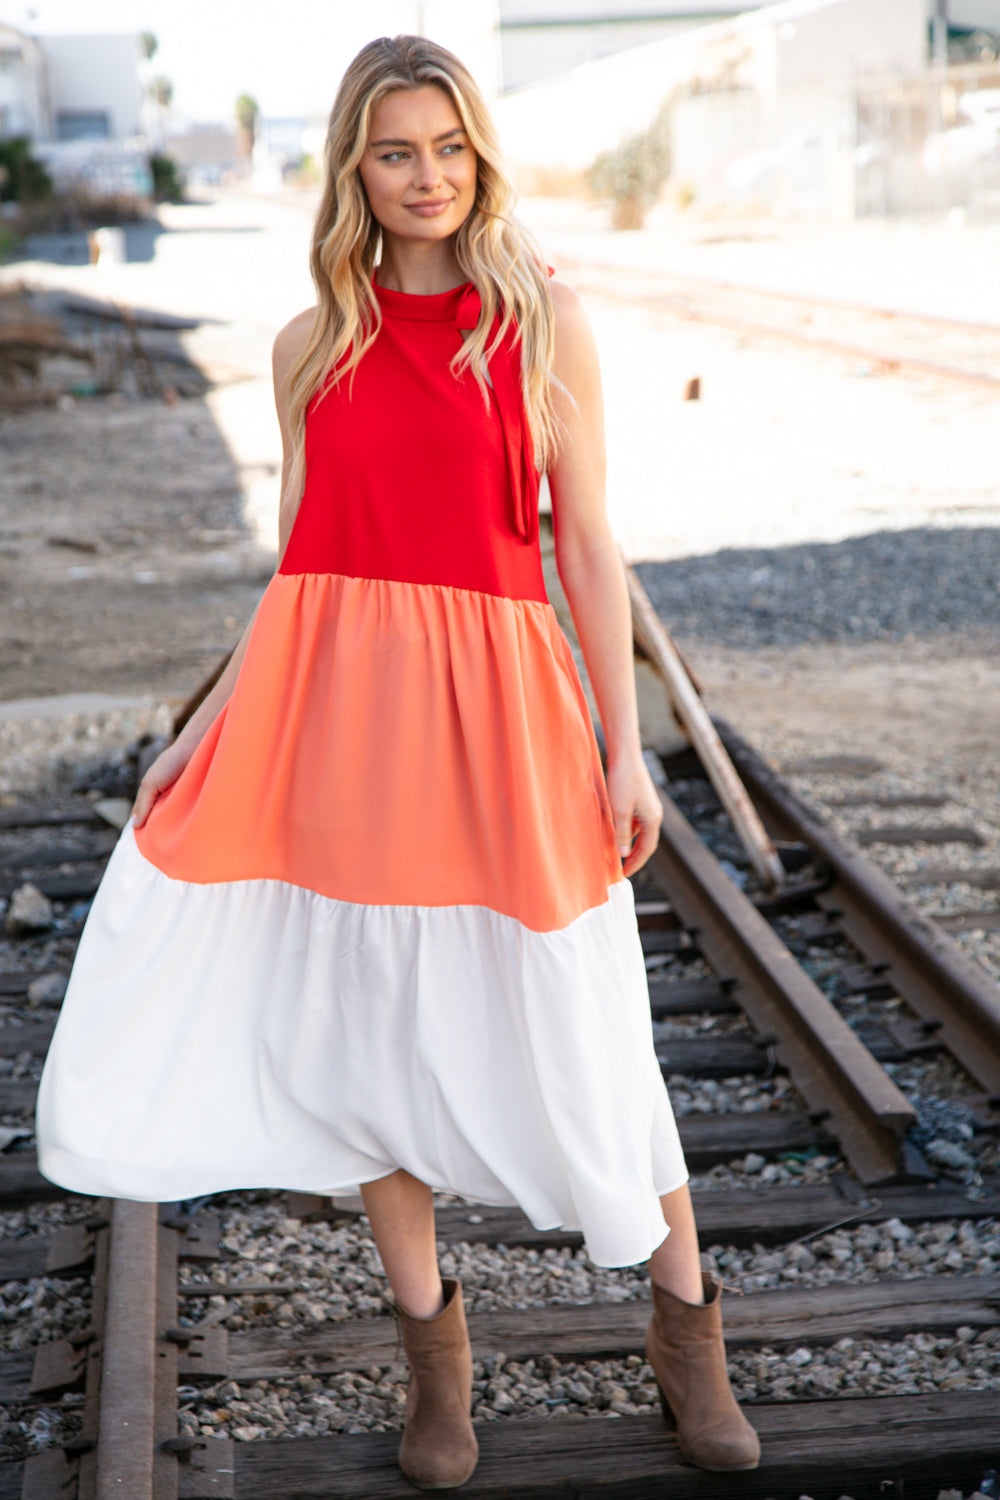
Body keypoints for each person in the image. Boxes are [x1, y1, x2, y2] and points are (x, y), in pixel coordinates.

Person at [36, 34, 759, 1490]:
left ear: (477, 155)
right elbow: (301, 566)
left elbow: (586, 543)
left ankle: (687, 1335)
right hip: (343, 720)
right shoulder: (316, 342)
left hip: (505, 715)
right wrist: (201, 733)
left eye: (446, 147)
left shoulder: (541, 319)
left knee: (588, 1023)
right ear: (354, 171)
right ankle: (437, 1361)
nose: (425, 177)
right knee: (375, 1030)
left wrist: (629, 755)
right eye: (393, 151)